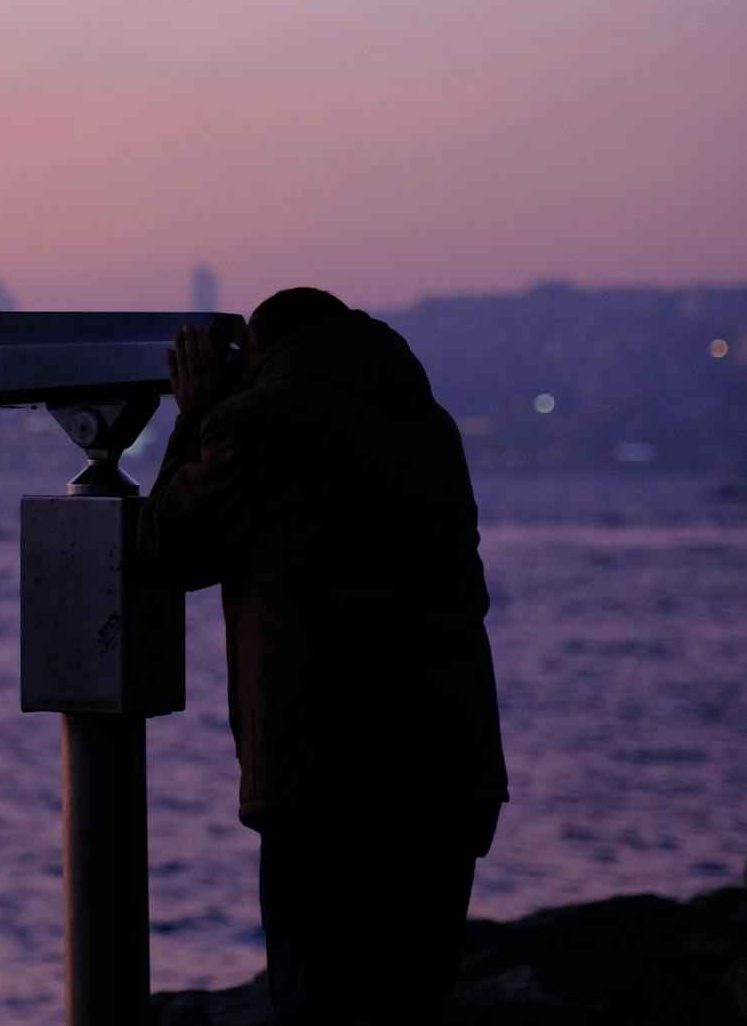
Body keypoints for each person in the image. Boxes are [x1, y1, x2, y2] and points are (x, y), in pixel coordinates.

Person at [136, 287, 508, 1025]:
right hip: (448, 774)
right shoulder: (426, 423)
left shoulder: (258, 422)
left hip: (326, 783)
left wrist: (196, 413)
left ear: (256, 351)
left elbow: (166, 548)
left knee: (318, 1001)